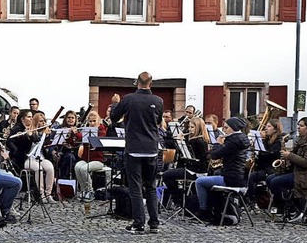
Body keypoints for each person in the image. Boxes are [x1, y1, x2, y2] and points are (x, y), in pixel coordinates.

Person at [110, 71, 163, 234]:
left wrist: (114, 104)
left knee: (136, 188)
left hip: (133, 149)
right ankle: (154, 223)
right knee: (151, 187)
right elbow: (159, 121)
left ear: (136, 83)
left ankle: (138, 223)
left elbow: (114, 117)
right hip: (152, 149)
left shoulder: (129, 99)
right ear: (151, 83)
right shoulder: (158, 100)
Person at [267, 117, 307, 221]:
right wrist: (286, 162)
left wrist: (289, 156)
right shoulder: (302, 140)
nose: (298, 127)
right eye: (298, 125)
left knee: (276, 182)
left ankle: (294, 208)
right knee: (270, 179)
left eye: (301, 126)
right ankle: (287, 205)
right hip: (301, 173)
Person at [195, 117, 249, 221]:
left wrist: (218, 143)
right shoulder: (241, 138)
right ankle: (213, 209)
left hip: (231, 179)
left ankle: (204, 211)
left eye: (226, 128)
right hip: (237, 176)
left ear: (233, 128)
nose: (224, 130)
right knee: (212, 175)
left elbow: (215, 155)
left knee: (199, 182)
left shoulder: (233, 141)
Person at [162, 117, 210, 206]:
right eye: (189, 127)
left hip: (194, 171)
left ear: (198, 128)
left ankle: (178, 199)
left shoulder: (196, 141)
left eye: (192, 127)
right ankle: (179, 198)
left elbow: (188, 156)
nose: (189, 129)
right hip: (193, 169)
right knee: (171, 173)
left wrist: (180, 141)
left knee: (167, 175)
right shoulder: (201, 140)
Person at [72, 111, 107, 201]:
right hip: (86, 158)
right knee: (77, 167)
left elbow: (93, 140)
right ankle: (83, 190)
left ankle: (90, 191)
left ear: (98, 120)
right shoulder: (86, 130)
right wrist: (74, 133)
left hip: (98, 160)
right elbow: (80, 140)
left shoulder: (101, 130)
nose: (92, 123)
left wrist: (78, 134)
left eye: (94, 121)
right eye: (90, 121)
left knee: (84, 169)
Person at [246, 119, 282, 204]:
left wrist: (261, 142)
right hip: (262, 167)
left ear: (275, 129)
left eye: (269, 126)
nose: (266, 128)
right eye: (266, 126)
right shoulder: (267, 139)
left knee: (251, 177)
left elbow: (267, 154)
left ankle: (252, 200)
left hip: (270, 169)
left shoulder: (278, 142)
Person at [23, 112, 56, 203]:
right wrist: (29, 135)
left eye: (44, 121)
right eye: (41, 121)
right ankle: (41, 194)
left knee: (50, 167)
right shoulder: (29, 132)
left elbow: (46, 148)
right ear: (36, 122)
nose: (44, 123)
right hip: (29, 159)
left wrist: (47, 137)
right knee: (39, 169)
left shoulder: (45, 133)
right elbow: (28, 144)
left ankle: (48, 194)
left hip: (40, 157)